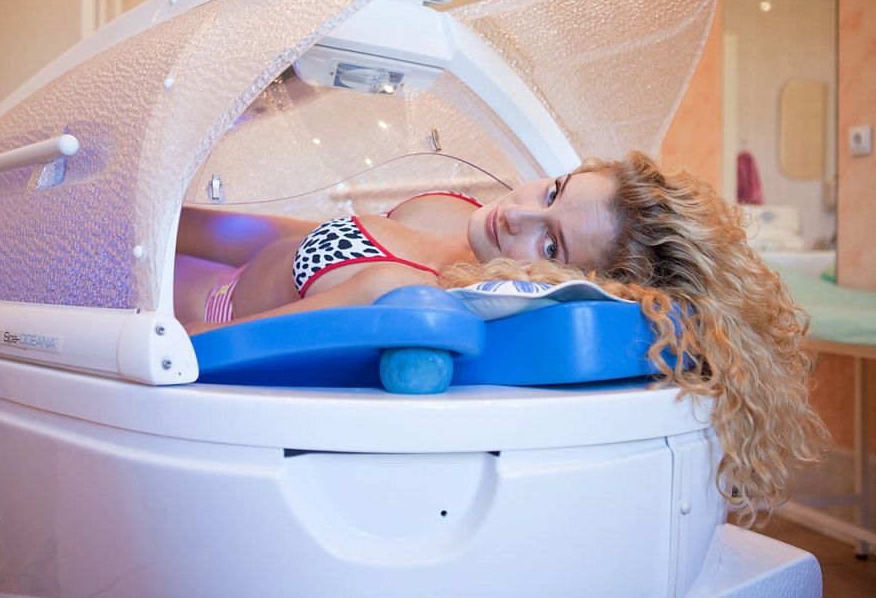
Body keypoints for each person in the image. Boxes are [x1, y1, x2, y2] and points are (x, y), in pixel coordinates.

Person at [176, 151, 828, 527]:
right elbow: (292, 238)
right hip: (208, 247)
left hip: (192, 303)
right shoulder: (471, 222)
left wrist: (136, 311)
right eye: (554, 190)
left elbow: (197, 350)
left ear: (564, 281)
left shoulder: (402, 295)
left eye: (550, 244)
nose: (515, 211)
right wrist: (160, 216)